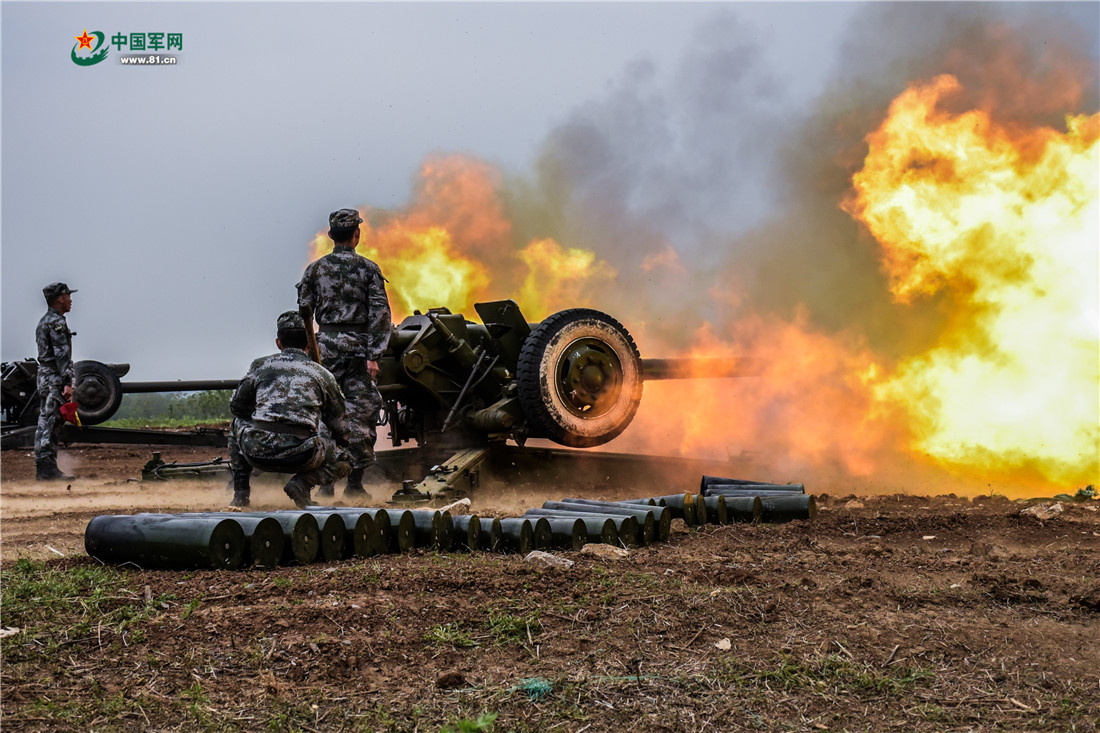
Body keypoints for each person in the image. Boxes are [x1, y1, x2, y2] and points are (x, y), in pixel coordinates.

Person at [296, 208, 392, 498]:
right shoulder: (368, 269)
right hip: (358, 351)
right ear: (356, 234)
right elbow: (380, 314)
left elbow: (304, 312)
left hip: (324, 350)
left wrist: (311, 351)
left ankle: (324, 484)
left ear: (330, 235)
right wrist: (374, 355)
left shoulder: (314, 270)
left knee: (323, 414)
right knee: (361, 414)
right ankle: (354, 485)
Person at [227, 311, 352, 508]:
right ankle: (302, 484)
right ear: (309, 343)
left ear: (279, 343)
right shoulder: (322, 374)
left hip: (256, 451)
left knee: (237, 424)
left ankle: (241, 493)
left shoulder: (260, 366)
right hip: (301, 455)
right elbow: (340, 427)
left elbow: (237, 407)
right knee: (347, 459)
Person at [34, 282, 78, 481]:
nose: (70, 300)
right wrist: (68, 383)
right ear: (60, 298)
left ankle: (44, 467)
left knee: (45, 421)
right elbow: (61, 354)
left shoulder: (45, 321)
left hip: (45, 377)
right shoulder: (56, 323)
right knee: (51, 422)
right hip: (54, 379)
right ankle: (47, 469)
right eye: (68, 296)